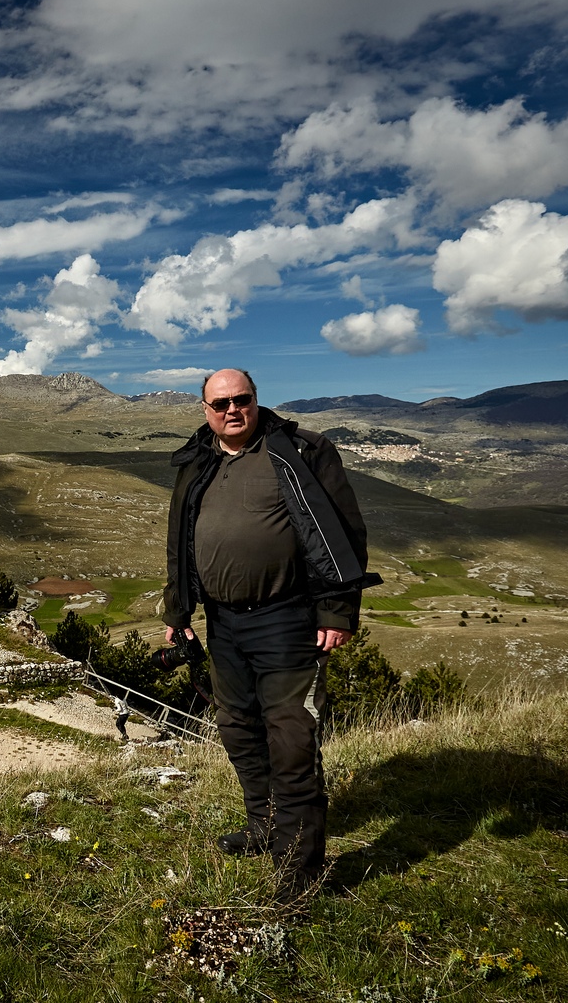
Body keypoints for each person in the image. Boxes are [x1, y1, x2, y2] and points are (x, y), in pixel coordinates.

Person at [154, 368, 378, 904]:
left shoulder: (301, 451)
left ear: (257, 401)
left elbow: (344, 532)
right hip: (223, 624)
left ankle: (300, 876)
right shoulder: (199, 458)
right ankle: (265, 826)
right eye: (220, 403)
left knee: (292, 741)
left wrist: (337, 611)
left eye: (242, 399)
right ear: (205, 410)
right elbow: (179, 539)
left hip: (287, 620)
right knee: (237, 729)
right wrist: (179, 608)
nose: (232, 410)